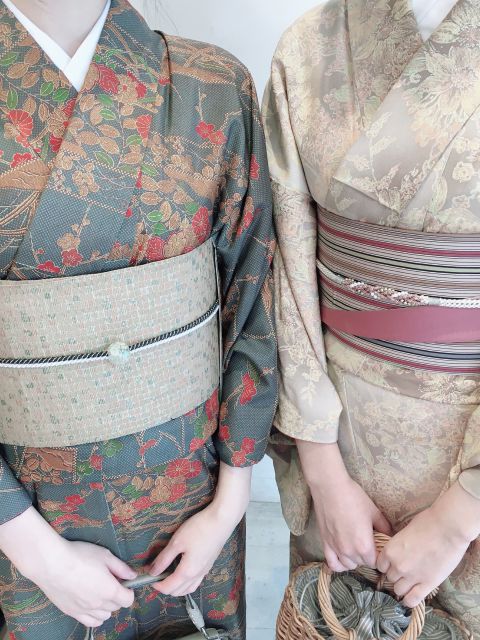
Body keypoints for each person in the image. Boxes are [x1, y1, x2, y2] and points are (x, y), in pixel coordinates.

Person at [0, 1, 277, 638]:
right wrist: (36, 553)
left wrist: (229, 503)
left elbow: (253, 298)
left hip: (193, 503)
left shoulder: (213, 86)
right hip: (24, 519)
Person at [263, 0, 480, 634]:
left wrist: (461, 514)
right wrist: (324, 473)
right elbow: (285, 271)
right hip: (344, 439)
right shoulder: (310, 46)